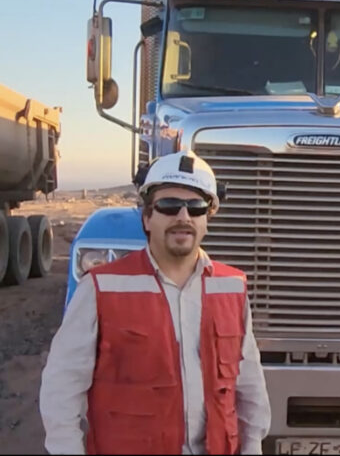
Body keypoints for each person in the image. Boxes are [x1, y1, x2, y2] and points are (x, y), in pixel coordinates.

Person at [40, 150, 271, 455]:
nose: (183, 217)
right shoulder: (100, 288)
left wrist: (252, 447)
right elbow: (62, 387)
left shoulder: (232, 288)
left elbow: (250, 385)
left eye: (196, 208)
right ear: (147, 218)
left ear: (207, 219)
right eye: (169, 205)